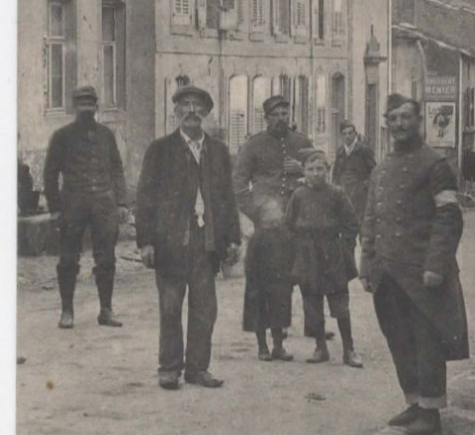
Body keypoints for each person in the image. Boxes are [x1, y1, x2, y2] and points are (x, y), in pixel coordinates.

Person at [359, 95, 469, 435]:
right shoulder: (382, 168)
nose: (399, 124)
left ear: (418, 120)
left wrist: (436, 264)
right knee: (399, 339)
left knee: (426, 341)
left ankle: (431, 411)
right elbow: (371, 217)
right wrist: (367, 262)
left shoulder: (435, 164)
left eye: (405, 117)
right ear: (386, 124)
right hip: (387, 272)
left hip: (423, 272)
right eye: (393, 119)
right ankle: (414, 402)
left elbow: (449, 217)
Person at [135, 85, 242, 391]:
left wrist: (233, 238)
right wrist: (146, 241)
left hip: (206, 243)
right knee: (170, 307)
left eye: (198, 106)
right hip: (171, 243)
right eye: (185, 105)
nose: (192, 111)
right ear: (176, 112)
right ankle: (169, 368)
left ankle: (197, 368)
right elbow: (146, 198)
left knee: (205, 308)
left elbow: (226, 198)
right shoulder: (160, 150)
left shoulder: (218, 151)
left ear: (206, 113)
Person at [233, 95, 311, 361]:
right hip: (265, 229)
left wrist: (303, 169)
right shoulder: (253, 146)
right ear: (266, 117)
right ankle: (262, 345)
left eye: (285, 113)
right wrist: (257, 212)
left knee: (284, 286)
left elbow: (320, 174)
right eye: (275, 114)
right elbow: (240, 186)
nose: (281, 118)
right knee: (259, 285)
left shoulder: (301, 143)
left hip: (293, 226)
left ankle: (279, 343)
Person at [43, 85, 128, 330]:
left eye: (90, 104)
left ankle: (106, 310)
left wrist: (121, 202)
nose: (86, 109)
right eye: (82, 105)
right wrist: (55, 208)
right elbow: (50, 174)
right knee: (68, 258)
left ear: (96, 107)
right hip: (73, 203)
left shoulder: (106, 135)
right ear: (74, 107)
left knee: (106, 259)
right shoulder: (62, 136)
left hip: (103, 203)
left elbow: (117, 169)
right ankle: (67, 311)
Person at [286, 150, 363, 368]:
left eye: (320, 169)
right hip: (307, 254)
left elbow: (351, 224)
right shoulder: (298, 195)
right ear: (304, 172)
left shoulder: (337, 194)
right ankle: (320, 347)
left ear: (327, 171)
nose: (316, 174)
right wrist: (295, 252)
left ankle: (349, 349)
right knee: (312, 301)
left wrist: (344, 250)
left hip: (332, 253)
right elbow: (288, 225)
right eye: (311, 169)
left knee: (339, 302)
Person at [332, 121, 377, 226]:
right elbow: (336, 173)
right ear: (341, 136)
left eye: (350, 133)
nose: (347, 136)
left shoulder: (363, 150)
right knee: (345, 222)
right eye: (344, 134)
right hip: (344, 192)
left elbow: (374, 171)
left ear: (355, 134)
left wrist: (365, 186)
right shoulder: (340, 152)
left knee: (361, 223)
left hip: (360, 194)